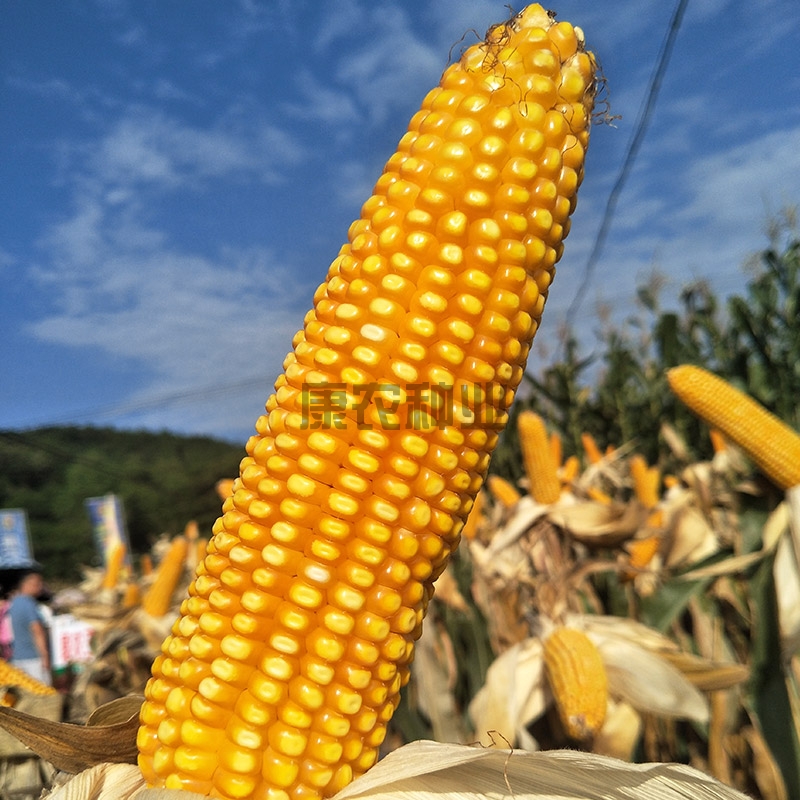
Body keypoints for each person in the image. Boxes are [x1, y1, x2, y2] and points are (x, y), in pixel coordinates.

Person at [8, 569, 51, 685]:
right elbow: (37, 631)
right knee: (43, 694)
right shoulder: (29, 604)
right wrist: (45, 656)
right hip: (34, 658)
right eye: (37, 583)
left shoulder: (14, 603)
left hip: (17, 658)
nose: (40, 587)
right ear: (26, 584)